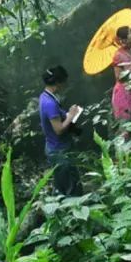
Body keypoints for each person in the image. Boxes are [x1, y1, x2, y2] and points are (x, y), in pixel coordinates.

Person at [38, 65, 83, 197]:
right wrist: (71, 116)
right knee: (71, 187)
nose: (65, 85)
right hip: (60, 151)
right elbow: (58, 129)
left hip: (54, 147)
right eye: (64, 82)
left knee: (62, 185)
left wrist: (68, 113)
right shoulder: (50, 103)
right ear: (58, 83)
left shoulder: (45, 96)